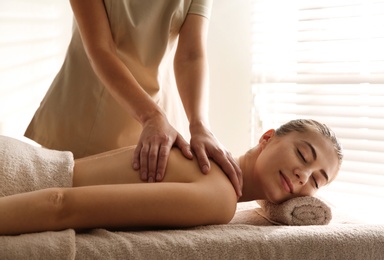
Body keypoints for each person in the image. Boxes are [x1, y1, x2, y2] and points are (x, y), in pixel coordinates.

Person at [24, 0, 242, 196]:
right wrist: (151, 116)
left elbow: (191, 55)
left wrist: (200, 125)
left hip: (154, 132)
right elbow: (101, 49)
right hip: (83, 120)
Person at [0, 119, 343, 235]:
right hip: (17, 179)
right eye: (303, 155)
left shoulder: (210, 163)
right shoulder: (219, 196)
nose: (303, 175)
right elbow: (62, 204)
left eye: (316, 181)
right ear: (267, 138)